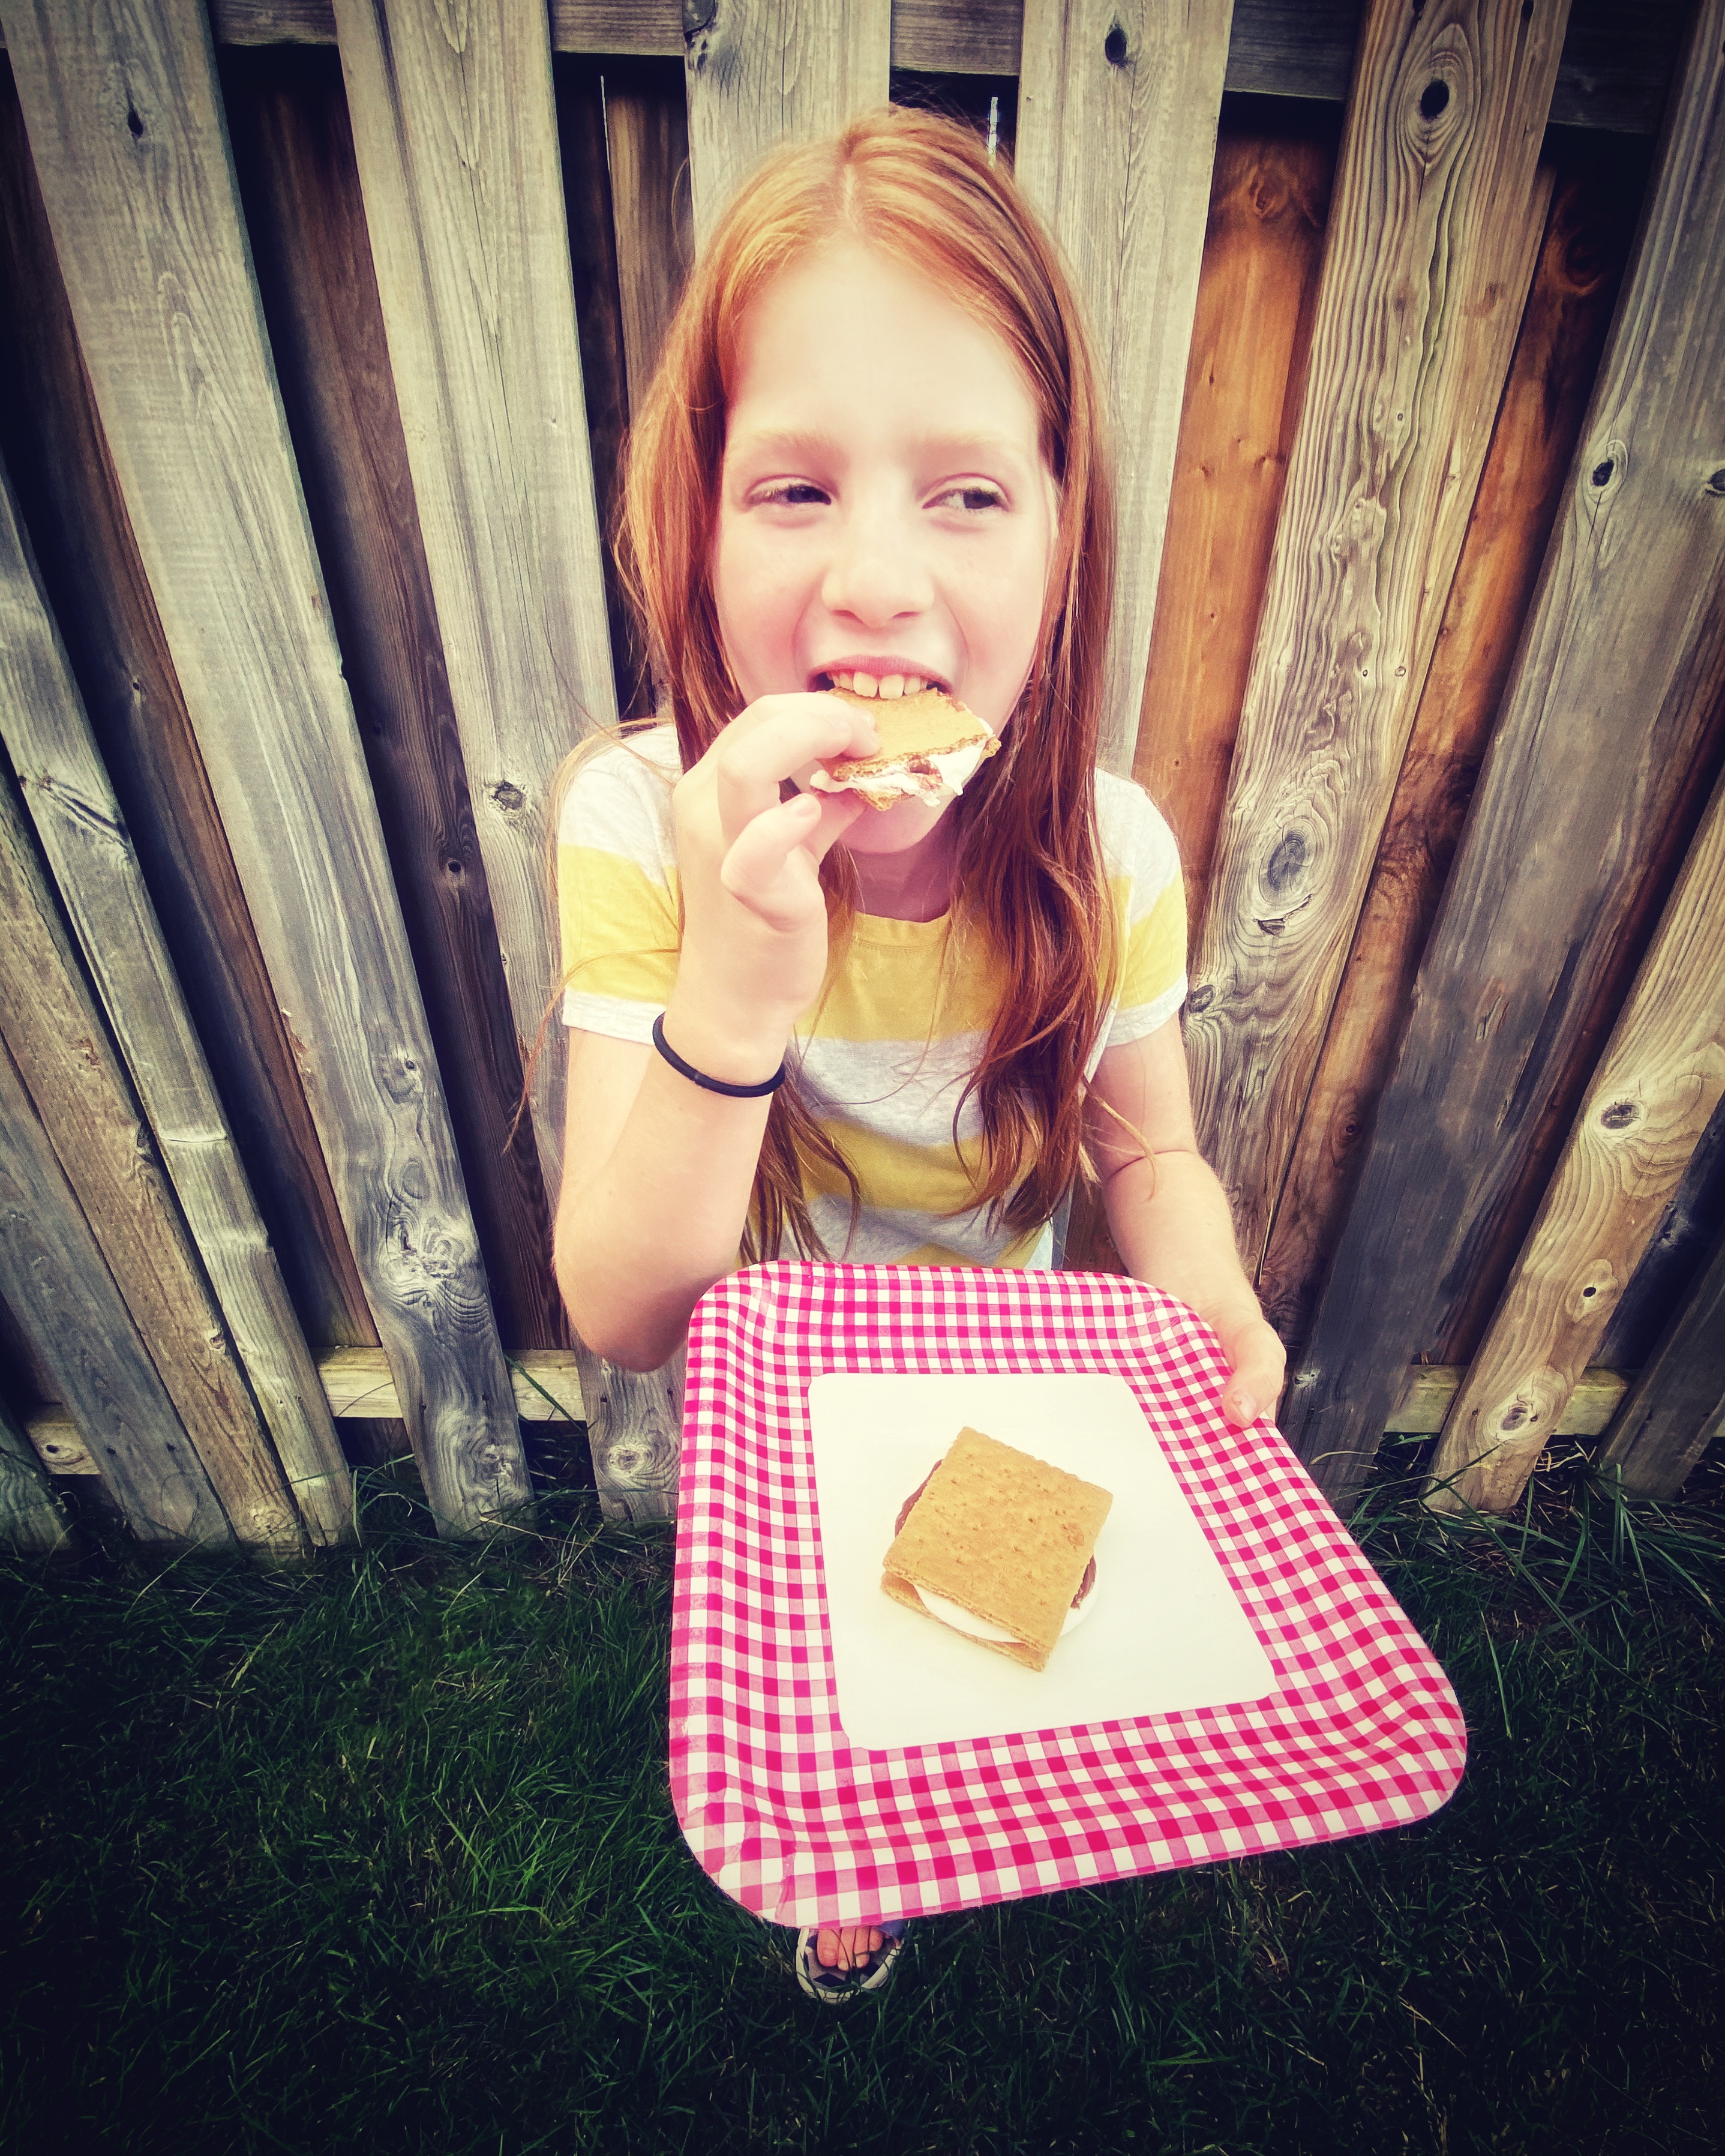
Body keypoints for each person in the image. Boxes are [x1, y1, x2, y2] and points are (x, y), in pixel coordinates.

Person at [551, 108, 1285, 2002]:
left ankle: (962, 1794)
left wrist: (1201, 1286)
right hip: (771, 1395)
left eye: (965, 492)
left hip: (1010, 1370)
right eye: (794, 488)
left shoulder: (1112, 846)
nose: (876, 579)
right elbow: (625, 1308)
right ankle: (846, 1858)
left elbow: (1148, 1157)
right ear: (695, 527)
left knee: (973, 1655)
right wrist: (735, 981)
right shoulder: (642, 821)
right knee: (832, 1686)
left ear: (1061, 536)